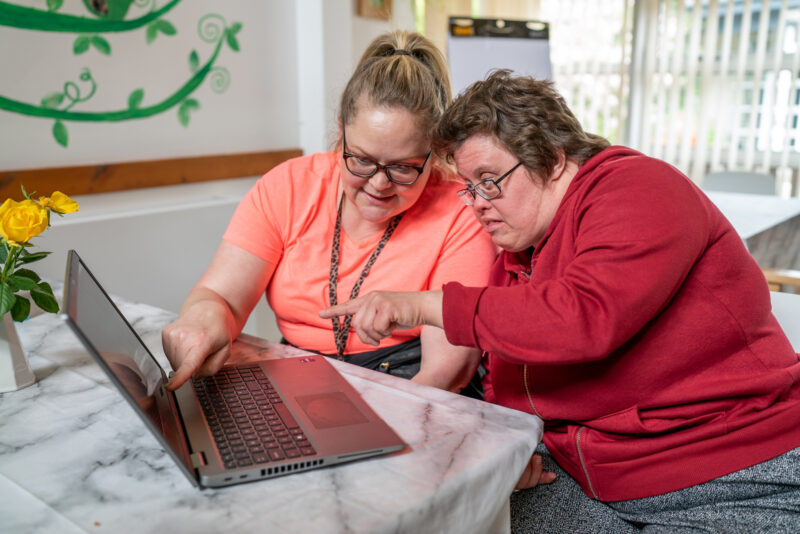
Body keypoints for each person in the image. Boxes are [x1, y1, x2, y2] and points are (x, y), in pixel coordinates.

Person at [320, 69, 800, 532]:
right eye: (470, 187)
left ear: (551, 159)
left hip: (729, 473)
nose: (477, 202)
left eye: (489, 179)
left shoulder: (639, 188)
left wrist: (422, 305)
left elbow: (584, 318)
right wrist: (507, 450)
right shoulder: (519, 255)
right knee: (431, 509)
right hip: (595, 472)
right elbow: (507, 383)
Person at [162, 30, 495, 395]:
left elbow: (444, 373)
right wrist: (200, 322)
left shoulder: (460, 210)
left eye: (403, 167)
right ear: (341, 133)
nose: (378, 184)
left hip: (411, 381)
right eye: (362, 160)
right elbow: (220, 296)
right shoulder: (288, 186)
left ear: (435, 153)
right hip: (302, 370)